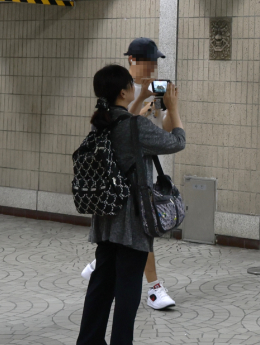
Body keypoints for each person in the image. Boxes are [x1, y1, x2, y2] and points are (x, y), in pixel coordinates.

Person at [76, 64, 185, 345]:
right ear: (123, 91)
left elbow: (127, 120)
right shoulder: (135, 126)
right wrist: (172, 108)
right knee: (127, 291)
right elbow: (176, 142)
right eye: (131, 88)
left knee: (101, 287)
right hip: (133, 221)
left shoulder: (100, 122)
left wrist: (138, 100)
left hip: (105, 216)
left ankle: (88, 341)